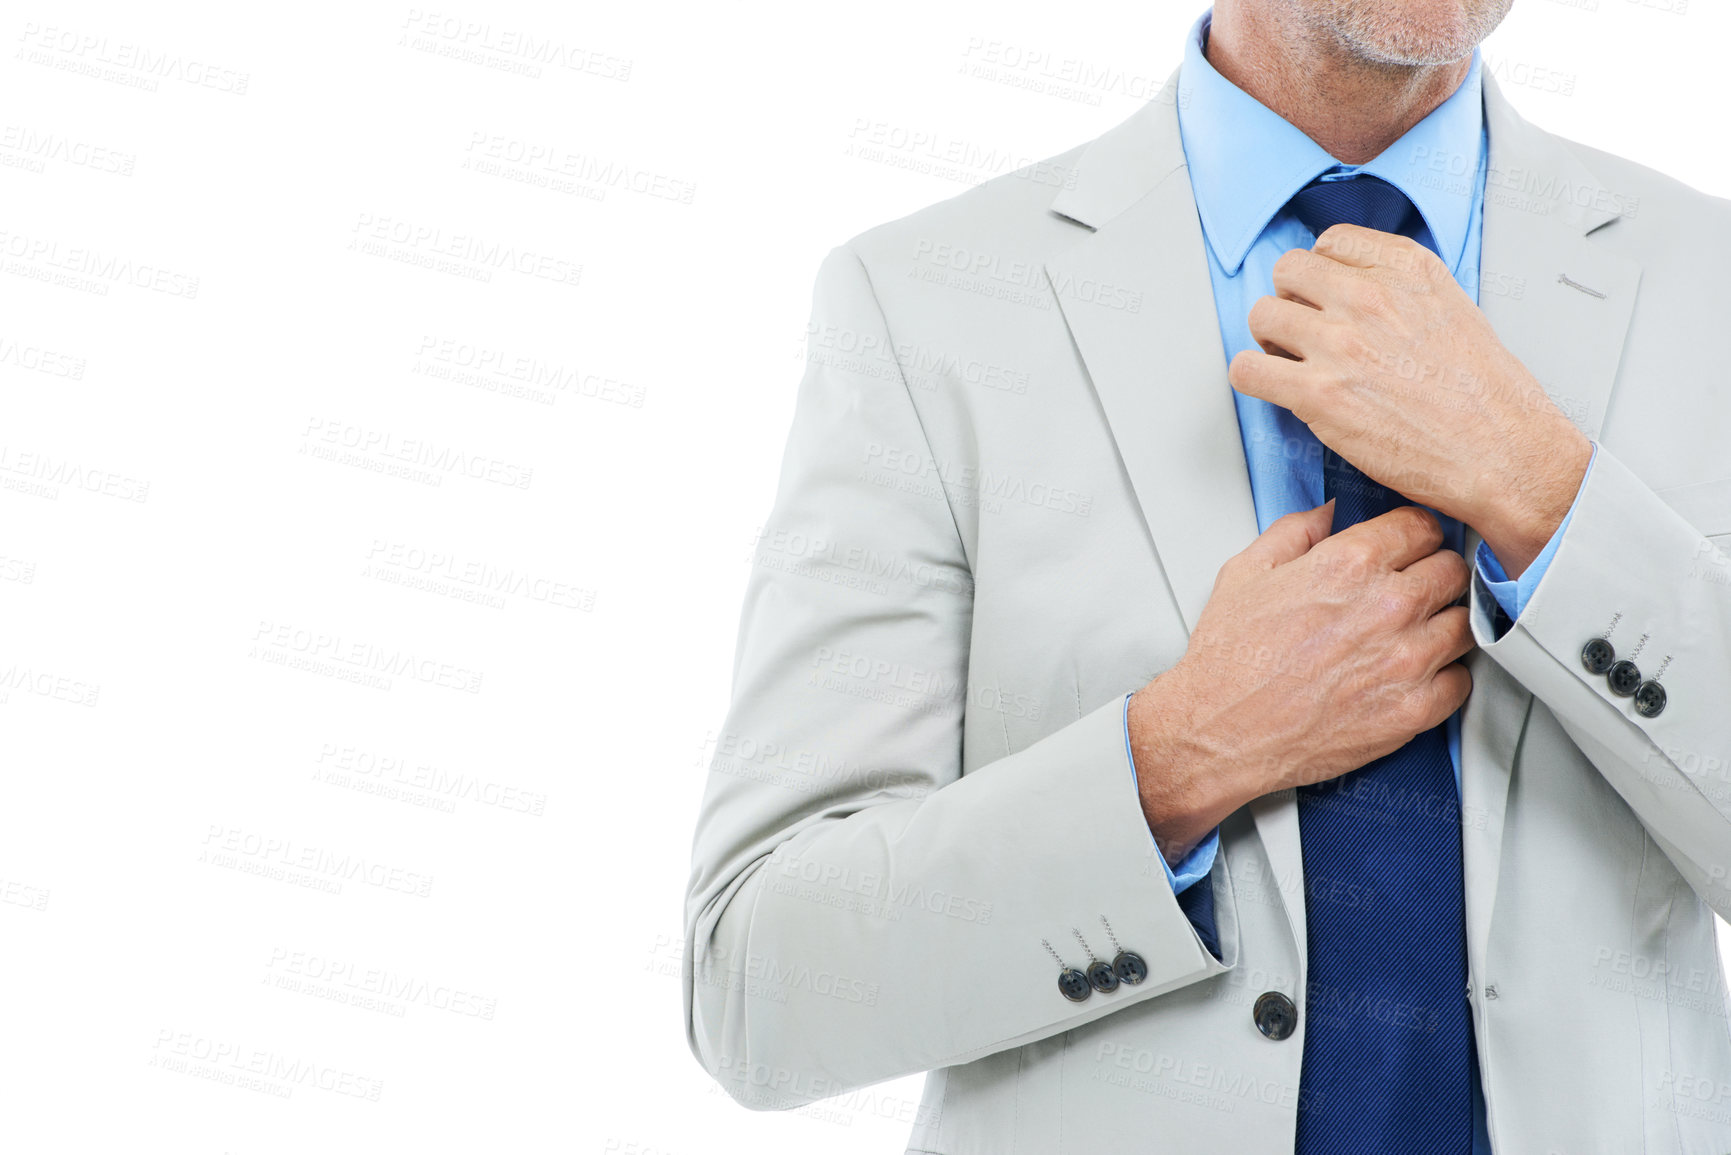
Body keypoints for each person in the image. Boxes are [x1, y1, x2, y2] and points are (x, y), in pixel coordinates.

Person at [682, 2, 1731, 1150]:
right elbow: (760, 985)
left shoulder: (1709, 287)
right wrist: (1179, 755)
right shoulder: (924, 307)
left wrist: (1546, 495)